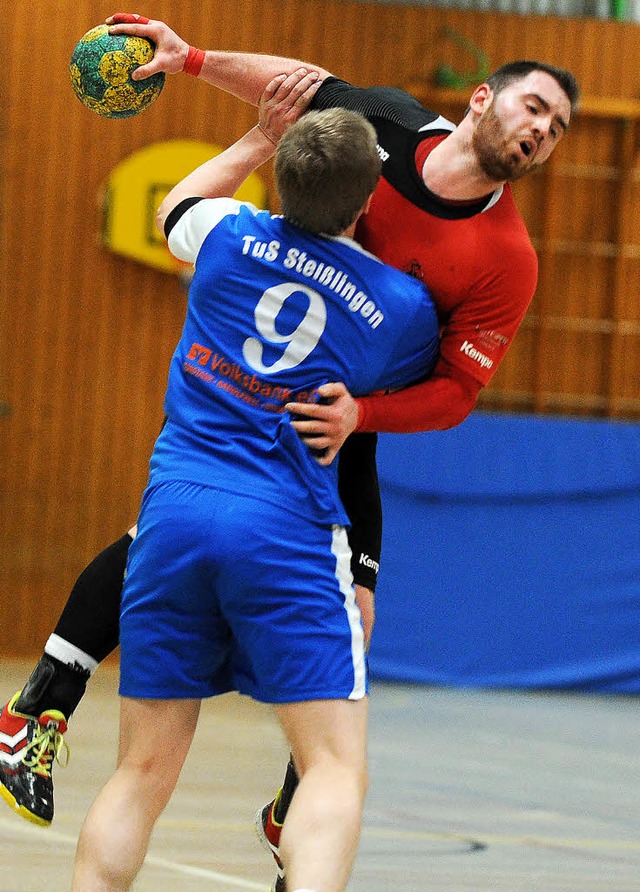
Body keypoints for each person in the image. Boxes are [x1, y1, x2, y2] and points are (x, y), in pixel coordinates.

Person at [0, 13, 579, 891]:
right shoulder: (384, 127)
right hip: (283, 400)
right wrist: (191, 60)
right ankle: (43, 703)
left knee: (342, 607)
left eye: (558, 126)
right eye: (535, 106)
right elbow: (295, 83)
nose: (542, 131)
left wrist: (363, 413)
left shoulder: (504, 259)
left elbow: (456, 396)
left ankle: (288, 804)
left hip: (349, 420)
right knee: (184, 547)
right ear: (482, 99)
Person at [71, 66, 441, 890]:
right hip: (282, 527)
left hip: (172, 516)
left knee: (140, 773)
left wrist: (257, 137)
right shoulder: (399, 306)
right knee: (335, 768)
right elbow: (423, 377)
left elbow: (176, 206)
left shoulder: (230, 237)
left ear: (281, 177)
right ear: (368, 200)